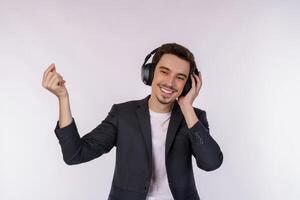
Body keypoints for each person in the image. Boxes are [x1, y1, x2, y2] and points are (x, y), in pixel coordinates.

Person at [42, 43, 223, 200]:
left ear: (188, 84)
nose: (170, 82)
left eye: (180, 77)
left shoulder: (193, 118)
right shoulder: (123, 115)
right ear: (150, 73)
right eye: (164, 72)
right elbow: (74, 154)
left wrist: (187, 107)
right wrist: (63, 98)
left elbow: (211, 163)